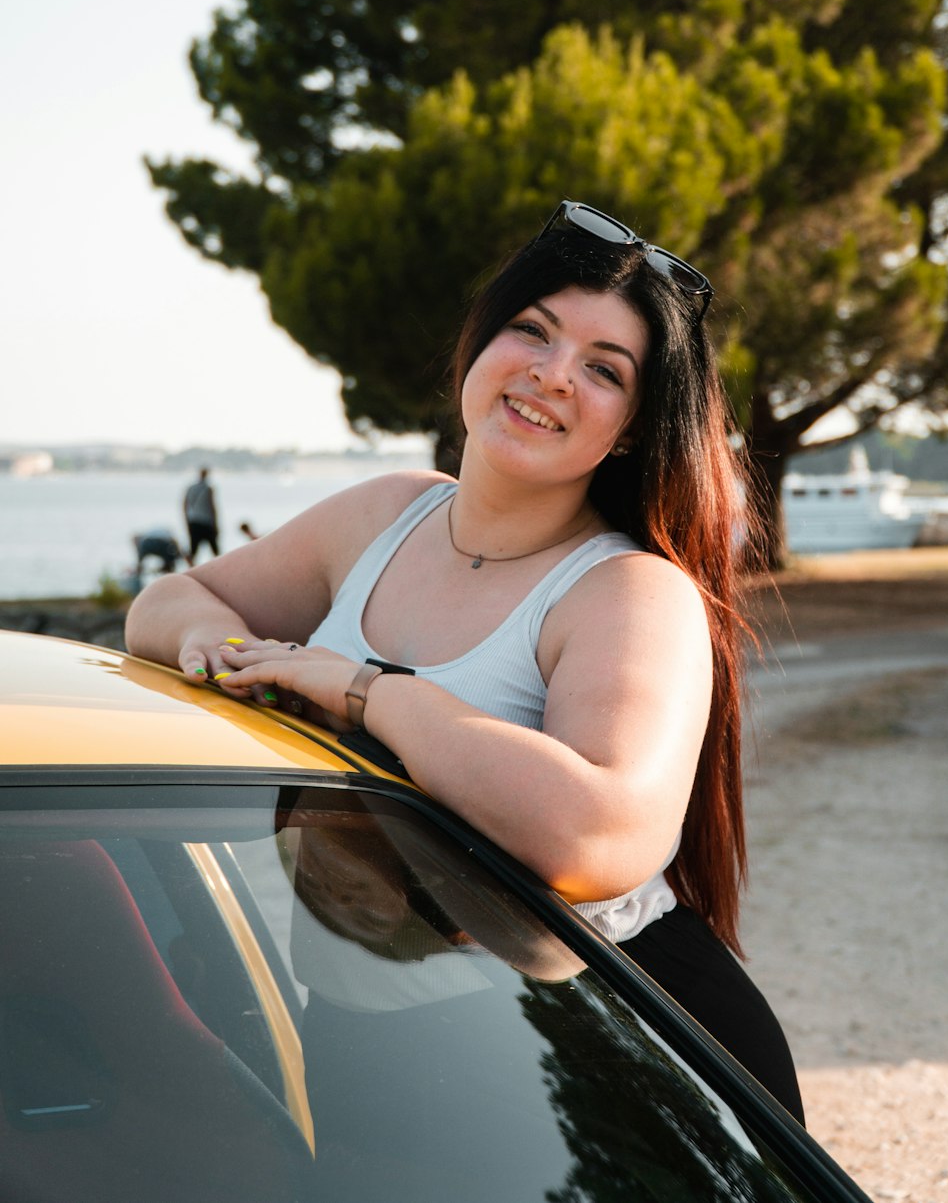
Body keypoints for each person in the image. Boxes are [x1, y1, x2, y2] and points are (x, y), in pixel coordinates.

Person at [125, 199, 803, 1120]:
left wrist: (367, 695)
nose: (552, 374)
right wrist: (219, 649)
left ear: (636, 429)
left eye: (605, 370)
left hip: (596, 1050)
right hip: (365, 1033)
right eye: (533, 330)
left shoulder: (628, 593)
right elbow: (166, 603)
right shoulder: (385, 512)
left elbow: (601, 837)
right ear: (482, 345)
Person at [182, 467, 219, 564]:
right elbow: (212, 506)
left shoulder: (191, 488)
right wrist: (216, 524)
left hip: (193, 521)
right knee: (215, 550)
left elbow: (185, 505)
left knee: (193, 549)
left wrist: (187, 521)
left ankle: (190, 570)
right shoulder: (208, 488)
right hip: (207, 522)